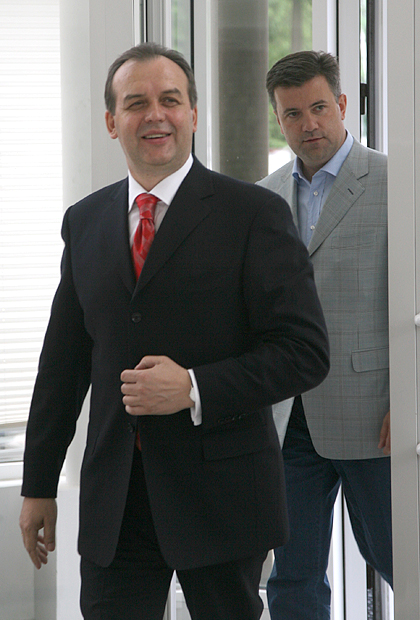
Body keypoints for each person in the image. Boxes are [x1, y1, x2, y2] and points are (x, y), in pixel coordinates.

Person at [19, 43, 329, 620]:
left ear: (192, 114)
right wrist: (38, 483)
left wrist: (192, 387)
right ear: (112, 121)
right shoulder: (84, 222)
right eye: (136, 103)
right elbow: (62, 364)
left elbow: (305, 353)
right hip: (116, 500)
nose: (155, 114)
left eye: (170, 99)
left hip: (223, 498)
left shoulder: (254, 215)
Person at [257, 50, 391, 619]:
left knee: (396, 555)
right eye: (292, 114)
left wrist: (411, 401)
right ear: (278, 119)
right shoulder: (262, 197)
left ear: (342, 104)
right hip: (289, 419)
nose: (308, 124)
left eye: (318, 108)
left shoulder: (396, 181)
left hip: (375, 416)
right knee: (292, 576)